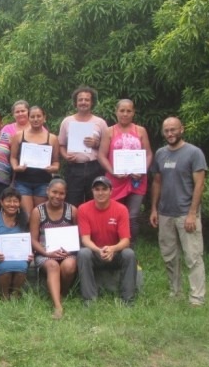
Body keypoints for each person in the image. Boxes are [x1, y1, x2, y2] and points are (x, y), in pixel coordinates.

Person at [149, 117, 207, 306]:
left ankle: (197, 297)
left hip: (186, 213)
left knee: (193, 256)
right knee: (169, 256)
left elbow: (200, 184)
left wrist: (192, 213)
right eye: (166, 130)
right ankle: (175, 292)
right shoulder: (160, 153)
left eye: (173, 130)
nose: (170, 134)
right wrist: (154, 209)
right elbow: (157, 182)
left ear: (182, 129)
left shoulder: (194, 153)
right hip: (165, 212)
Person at [98, 99, 153, 251]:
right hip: (115, 180)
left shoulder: (140, 131)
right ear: (116, 112)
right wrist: (112, 170)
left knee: (133, 216)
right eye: (122, 110)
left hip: (137, 179)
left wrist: (142, 170)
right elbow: (101, 156)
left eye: (129, 111)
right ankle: (114, 247)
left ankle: (130, 249)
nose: (125, 114)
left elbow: (148, 154)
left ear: (133, 112)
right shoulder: (109, 131)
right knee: (115, 214)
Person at [77, 176, 137, 306]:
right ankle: (89, 300)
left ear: (111, 191)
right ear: (92, 191)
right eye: (97, 189)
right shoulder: (83, 209)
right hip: (95, 252)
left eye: (104, 189)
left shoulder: (121, 209)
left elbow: (125, 240)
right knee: (83, 253)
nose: (100, 193)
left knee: (129, 254)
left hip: (114, 253)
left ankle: (128, 299)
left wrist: (112, 249)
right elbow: (85, 239)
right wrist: (99, 250)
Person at [29, 178, 78, 319]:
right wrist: (46, 252)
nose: (57, 196)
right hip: (45, 253)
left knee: (69, 266)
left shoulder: (72, 210)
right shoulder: (38, 211)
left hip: (67, 252)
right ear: (47, 191)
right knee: (52, 265)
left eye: (61, 193)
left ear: (65, 194)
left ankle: (63, 292)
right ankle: (58, 306)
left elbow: (78, 234)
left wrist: (71, 249)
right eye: (54, 192)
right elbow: (33, 239)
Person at [59, 86, 108, 207]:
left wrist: (96, 144)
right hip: (74, 168)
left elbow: (107, 147)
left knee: (96, 201)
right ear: (75, 102)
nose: (83, 102)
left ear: (92, 103)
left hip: (95, 167)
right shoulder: (67, 121)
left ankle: (95, 226)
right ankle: (76, 226)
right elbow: (61, 145)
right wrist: (66, 156)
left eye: (87, 100)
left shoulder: (100, 122)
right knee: (72, 202)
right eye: (80, 99)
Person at [10, 105, 60, 216]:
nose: (36, 119)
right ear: (28, 118)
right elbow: (13, 157)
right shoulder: (19, 136)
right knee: (27, 216)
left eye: (39, 116)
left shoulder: (52, 138)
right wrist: (15, 167)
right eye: (32, 117)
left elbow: (56, 162)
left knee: (40, 215)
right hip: (22, 181)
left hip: (43, 182)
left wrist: (53, 168)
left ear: (44, 117)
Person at [0, 187, 33, 300]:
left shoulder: (24, 219)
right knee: (5, 267)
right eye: (8, 201)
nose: (12, 204)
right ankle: (4, 295)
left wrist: (29, 253)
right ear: (1, 202)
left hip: (18, 255)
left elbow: (27, 240)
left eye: (15, 201)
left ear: (19, 203)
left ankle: (15, 294)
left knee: (21, 266)